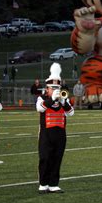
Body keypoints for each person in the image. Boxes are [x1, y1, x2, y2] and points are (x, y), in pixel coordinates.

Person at [36, 63, 74, 193]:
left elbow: (71, 113)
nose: (56, 90)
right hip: (46, 133)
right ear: (47, 89)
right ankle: (43, 183)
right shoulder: (42, 98)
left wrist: (63, 102)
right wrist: (51, 99)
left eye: (57, 87)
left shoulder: (64, 100)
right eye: (53, 88)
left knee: (57, 158)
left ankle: (53, 183)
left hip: (60, 133)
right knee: (45, 157)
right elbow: (40, 108)